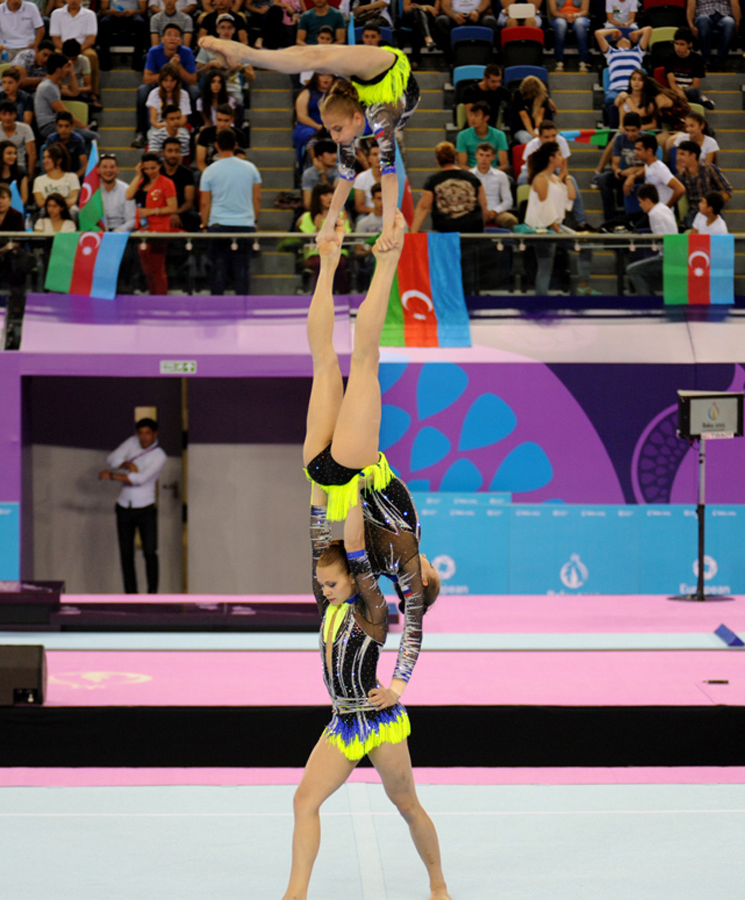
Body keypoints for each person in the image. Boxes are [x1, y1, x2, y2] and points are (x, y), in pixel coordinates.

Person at [293, 210, 447, 900]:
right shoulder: (401, 555)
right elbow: (412, 627)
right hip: (351, 474)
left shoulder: (375, 581)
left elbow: (409, 626)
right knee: (353, 360)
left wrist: (403, 688)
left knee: (336, 361)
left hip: (330, 485)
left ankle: (352, 260)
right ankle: (352, 258)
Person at [198, 38, 418, 251]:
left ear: (356, 119)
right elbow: (348, 178)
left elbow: (388, 175)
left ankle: (244, 54)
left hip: (386, 73)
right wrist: (328, 223)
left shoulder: (374, 120)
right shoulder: (368, 122)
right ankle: (244, 54)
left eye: (337, 129)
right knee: (310, 56)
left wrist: (387, 228)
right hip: (381, 76)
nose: (334, 137)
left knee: (315, 58)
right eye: (331, 129)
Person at [100, 417, 167, 593]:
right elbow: (112, 458)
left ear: (155, 434)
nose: (144, 437)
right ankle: (130, 596)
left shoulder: (159, 456)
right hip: (124, 507)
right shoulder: (131, 443)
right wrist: (126, 464)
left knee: (150, 552)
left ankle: (152, 595)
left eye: (148, 433)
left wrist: (112, 476)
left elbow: (141, 479)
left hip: (146, 508)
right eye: (141, 433)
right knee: (126, 555)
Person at [524, 141, 594, 295]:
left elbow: (571, 196)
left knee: (584, 247)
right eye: (559, 155)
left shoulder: (554, 179)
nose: (562, 158)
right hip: (543, 229)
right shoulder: (540, 179)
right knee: (545, 266)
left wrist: (566, 175)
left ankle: (582, 286)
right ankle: (541, 300)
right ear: (551, 158)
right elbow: (544, 208)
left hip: (555, 226)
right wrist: (557, 230)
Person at [199, 128, 261, 294]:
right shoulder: (251, 168)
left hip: (218, 225)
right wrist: (253, 220)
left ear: (216, 146)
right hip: (245, 225)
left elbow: (205, 203)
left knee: (218, 269)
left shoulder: (209, 171)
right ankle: (243, 308)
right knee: (242, 269)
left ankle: (217, 310)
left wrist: (204, 225)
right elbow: (257, 199)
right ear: (235, 145)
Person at [411, 141, 485, 234]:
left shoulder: (432, 180)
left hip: (445, 233)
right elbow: (483, 204)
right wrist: (482, 230)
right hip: (473, 231)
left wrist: (413, 233)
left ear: (437, 160)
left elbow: (424, 207)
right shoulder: (473, 178)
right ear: (455, 158)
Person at [129, 151, 178, 293]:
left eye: (153, 168)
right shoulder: (141, 182)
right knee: (147, 270)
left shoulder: (167, 183)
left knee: (157, 269)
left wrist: (152, 211)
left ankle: (161, 299)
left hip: (159, 231)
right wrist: (138, 175)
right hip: (143, 230)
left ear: (159, 166)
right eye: (146, 168)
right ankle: (152, 297)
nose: (149, 171)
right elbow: (128, 195)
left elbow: (173, 207)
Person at [35, 52, 100, 145]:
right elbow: (63, 112)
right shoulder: (47, 87)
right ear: (58, 70)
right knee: (93, 137)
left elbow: (74, 92)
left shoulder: (54, 84)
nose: (67, 70)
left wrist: (71, 73)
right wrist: (83, 126)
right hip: (49, 126)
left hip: (58, 125)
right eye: (66, 67)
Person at [627, 183, 678, 294]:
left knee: (632, 270)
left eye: (640, 202)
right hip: (672, 255)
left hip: (666, 258)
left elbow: (661, 238)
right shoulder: (663, 208)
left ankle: (648, 302)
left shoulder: (654, 214)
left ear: (648, 201)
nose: (640, 205)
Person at [594, 112, 643, 222]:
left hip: (641, 175)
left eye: (633, 131)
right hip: (624, 173)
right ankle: (610, 218)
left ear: (640, 129)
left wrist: (633, 174)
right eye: (627, 130)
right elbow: (615, 163)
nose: (630, 134)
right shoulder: (620, 139)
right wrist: (617, 171)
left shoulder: (646, 139)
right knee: (604, 179)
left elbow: (651, 166)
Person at [598, 26, 649, 128]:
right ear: (616, 44)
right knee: (611, 99)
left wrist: (638, 33)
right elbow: (598, 34)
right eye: (620, 39)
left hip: (634, 90)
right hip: (616, 91)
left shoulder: (638, 52)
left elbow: (648, 29)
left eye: (627, 38)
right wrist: (613, 31)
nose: (624, 39)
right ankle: (615, 128)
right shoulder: (611, 53)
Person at [674, 141, 732, 228]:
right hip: (693, 213)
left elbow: (727, 190)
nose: (678, 158)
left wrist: (715, 205)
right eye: (678, 154)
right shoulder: (681, 176)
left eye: (682, 154)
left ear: (693, 156)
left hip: (711, 212)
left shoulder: (709, 169)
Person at [51, 0, 101, 98]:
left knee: (92, 56)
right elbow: (55, 38)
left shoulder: (90, 14)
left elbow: (91, 38)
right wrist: (67, 49)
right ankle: (57, 88)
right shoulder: (56, 14)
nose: (73, 1)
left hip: (83, 47)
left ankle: (93, 92)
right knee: (55, 56)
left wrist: (76, 50)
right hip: (63, 47)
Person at [0, 0, 47, 80]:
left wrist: (35, 44)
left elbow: (41, 30)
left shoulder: (31, 7)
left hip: (27, 48)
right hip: (6, 49)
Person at [625, 133, 684, 209]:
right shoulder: (648, 165)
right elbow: (645, 171)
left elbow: (680, 189)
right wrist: (633, 176)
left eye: (639, 149)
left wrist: (666, 208)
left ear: (649, 151)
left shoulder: (660, 169)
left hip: (660, 215)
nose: (636, 152)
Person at [0, 99, 38, 178]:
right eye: (4, 114)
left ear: (15, 115)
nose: (7, 117)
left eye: (11, 114)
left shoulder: (25, 128)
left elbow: (32, 154)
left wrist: (29, 176)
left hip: (19, 167)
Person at [665, 28, 714, 109]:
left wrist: (683, 92)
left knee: (692, 92)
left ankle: (700, 101)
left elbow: (695, 85)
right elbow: (672, 82)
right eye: (676, 44)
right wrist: (679, 92)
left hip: (689, 91)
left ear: (689, 44)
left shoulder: (697, 59)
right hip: (674, 91)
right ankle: (702, 101)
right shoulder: (669, 58)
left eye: (682, 44)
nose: (678, 48)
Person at [292, 71, 333, 164]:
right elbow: (302, 116)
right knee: (308, 134)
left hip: (331, 125)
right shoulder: (306, 93)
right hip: (309, 125)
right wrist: (317, 126)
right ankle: (312, 161)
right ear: (316, 77)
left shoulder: (336, 94)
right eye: (322, 75)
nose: (326, 78)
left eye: (329, 76)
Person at [455, 101, 508, 171]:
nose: (472, 119)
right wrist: (477, 174)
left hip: (494, 172)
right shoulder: (462, 135)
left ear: (486, 118)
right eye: (471, 115)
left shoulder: (499, 135)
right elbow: (462, 165)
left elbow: (504, 165)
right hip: (471, 173)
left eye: (476, 115)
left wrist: (490, 175)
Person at [98, 0, 150, 71]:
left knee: (140, 23)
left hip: (133, 14)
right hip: (113, 14)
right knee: (103, 23)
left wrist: (133, 12)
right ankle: (105, 64)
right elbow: (103, 10)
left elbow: (143, 10)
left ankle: (137, 63)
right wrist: (112, 12)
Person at [687, 0, 740, 70]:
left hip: (724, 14)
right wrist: (691, 25)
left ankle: (720, 61)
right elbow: (691, 5)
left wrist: (737, 23)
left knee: (730, 23)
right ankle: (706, 60)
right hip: (704, 13)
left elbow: (735, 4)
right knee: (703, 20)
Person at [159, 137, 197, 229]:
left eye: (177, 151)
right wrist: (168, 213)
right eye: (170, 151)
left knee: (194, 218)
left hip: (181, 212)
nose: (173, 155)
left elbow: (188, 203)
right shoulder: (157, 172)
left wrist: (175, 212)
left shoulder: (187, 173)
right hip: (159, 211)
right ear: (163, 153)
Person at [507, 74, 556, 145]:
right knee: (528, 139)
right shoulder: (518, 95)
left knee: (547, 139)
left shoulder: (542, 97)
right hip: (521, 128)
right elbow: (524, 117)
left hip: (536, 127)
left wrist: (538, 132)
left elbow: (539, 117)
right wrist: (532, 134)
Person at [547, 0, 591, 72]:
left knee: (580, 24)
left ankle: (583, 61)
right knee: (561, 24)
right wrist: (566, 16)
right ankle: (559, 61)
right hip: (559, 16)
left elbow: (584, 11)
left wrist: (575, 15)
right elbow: (553, 11)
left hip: (578, 16)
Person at [460, 64, 508, 130]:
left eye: (499, 81)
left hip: (491, 131)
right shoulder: (470, 91)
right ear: (485, 78)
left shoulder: (500, 91)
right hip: (472, 131)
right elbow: (471, 117)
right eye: (493, 81)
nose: (497, 84)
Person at [0, 140, 30, 207]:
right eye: (9, 153)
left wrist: (12, 210)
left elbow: (24, 198)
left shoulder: (21, 173)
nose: (13, 156)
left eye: (15, 153)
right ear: (0, 154)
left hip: (15, 211)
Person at [33, 143, 81, 207]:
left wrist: (60, 206)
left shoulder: (72, 177)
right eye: (44, 158)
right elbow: (40, 202)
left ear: (59, 160)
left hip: (67, 209)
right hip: (47, 210)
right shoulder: (38, 180)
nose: (45, 161)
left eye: (49, 157)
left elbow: (73, 198)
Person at [45, 110, 89, 177]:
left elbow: (85, 166)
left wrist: (74, 178)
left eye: (66, 126)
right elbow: (47, 162)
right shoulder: (51, 140)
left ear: (72, 126)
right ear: (56, 126)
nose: (63, 129)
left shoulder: (78, 140)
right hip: (55, 174)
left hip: (74, 174)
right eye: (60, 126)